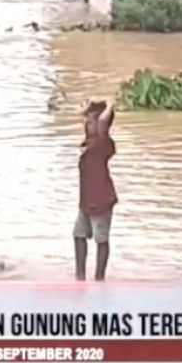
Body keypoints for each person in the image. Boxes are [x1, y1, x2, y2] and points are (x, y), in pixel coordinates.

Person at [76, 100, 118, 281]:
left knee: (101, 239)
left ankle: (99, 278)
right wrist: (88, 110)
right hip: (86, 201)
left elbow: (102, 123)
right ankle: (80, 276)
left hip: (100, 201)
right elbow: (84, 117)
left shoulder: (103, 143)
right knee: (78, 234)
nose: (87, 124)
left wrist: (110, 105)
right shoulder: (90, 143)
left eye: (91, 121)